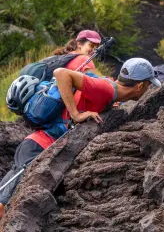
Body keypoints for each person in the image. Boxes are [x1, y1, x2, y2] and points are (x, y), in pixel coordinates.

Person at [0, 58, 161, 218]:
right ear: (140, 86)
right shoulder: (107, 89)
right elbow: (61, 74)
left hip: (41, 146)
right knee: (4, 205)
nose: (148, 89)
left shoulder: (110, 92)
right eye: (148, 85)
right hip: (38, 147)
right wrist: (76, 115)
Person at [0, 30, 102, 218]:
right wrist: (113, 90)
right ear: (79, 43)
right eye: (90, 46)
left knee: (12, 182)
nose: (93, 51)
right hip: (40, 143)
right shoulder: (80, 61)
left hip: (35, 140)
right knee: (8, 193)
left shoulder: (62, 59)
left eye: (96, 47)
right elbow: (95, 84)